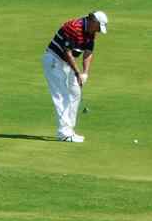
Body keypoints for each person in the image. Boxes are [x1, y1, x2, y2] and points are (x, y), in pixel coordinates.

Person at [42, 10, 108, 142]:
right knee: (62, 95)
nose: (98, 31)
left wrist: (85, 73)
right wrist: (77, 73)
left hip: (67, 63)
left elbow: (88, 52)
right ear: (93, 21)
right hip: (54, 60)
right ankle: (64, 133)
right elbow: (67, 53)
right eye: (98, 27)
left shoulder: (91, 32)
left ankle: (69, 129)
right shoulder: (73, 27)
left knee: (75, 92)